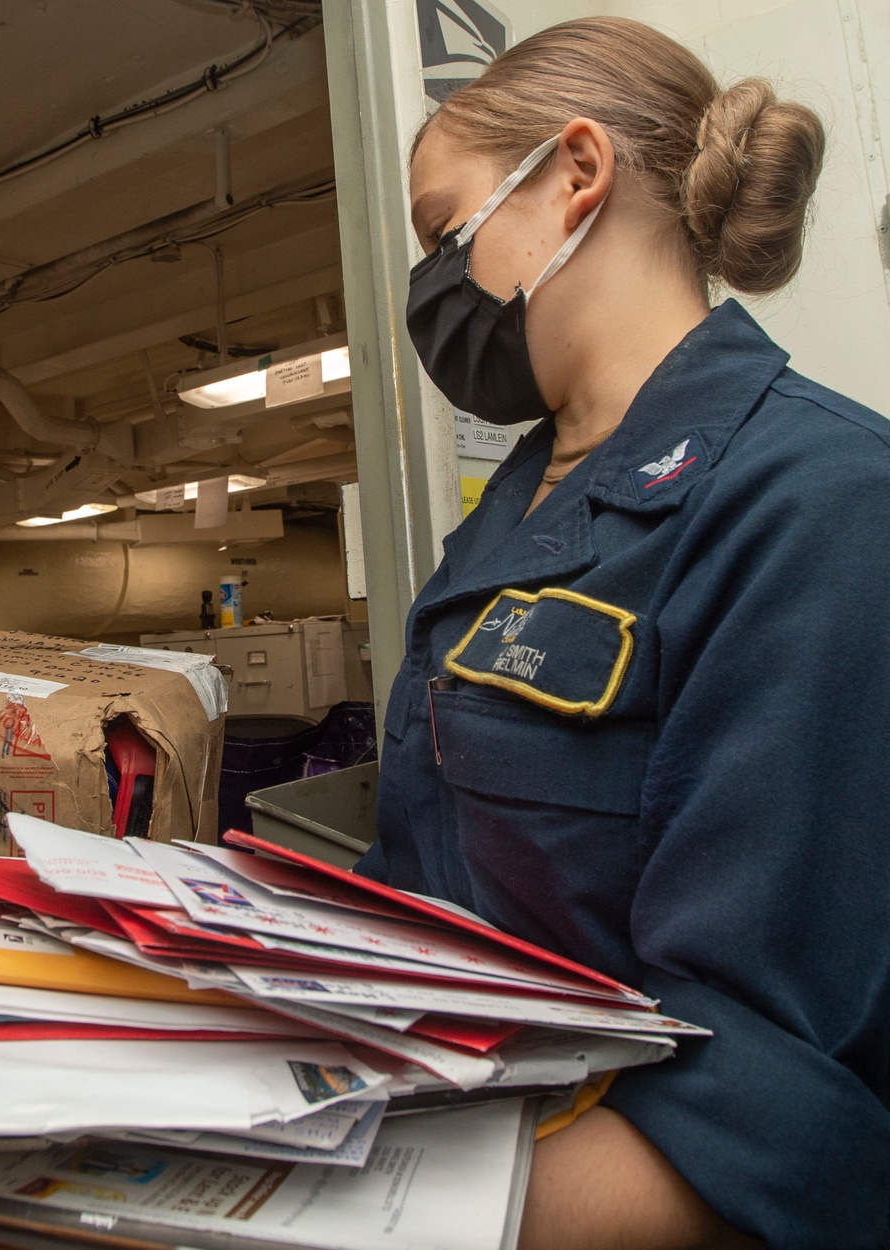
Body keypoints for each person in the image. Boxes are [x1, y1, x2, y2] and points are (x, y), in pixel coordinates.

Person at [354, 16, 890, 1250]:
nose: (431, 280)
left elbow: (770, 1101)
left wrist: (326, 1205)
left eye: (446, 230)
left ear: (576, 173)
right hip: (448, 1122)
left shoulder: (823, 505)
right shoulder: (512, 509)